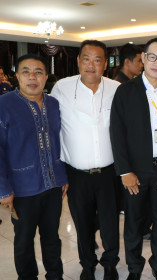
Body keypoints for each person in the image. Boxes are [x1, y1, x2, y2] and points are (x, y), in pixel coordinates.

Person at [110, 37, 157, 280]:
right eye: (152, 57)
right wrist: (125, 172)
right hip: (135, 171)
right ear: (143, 58)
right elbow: (117, 134)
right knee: (133, 223)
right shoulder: (125, 92)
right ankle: (134, 268)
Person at [51, 40, 120, 280]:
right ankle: (87, 264)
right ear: (78, 61)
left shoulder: (116, 88)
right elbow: (53, 129)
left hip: (109, 172)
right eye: (86, 59)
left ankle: (110, 263)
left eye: (97, 59)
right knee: (82, 223)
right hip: (76, 174)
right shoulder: (61, 88)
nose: (91, 65)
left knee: (110, 223)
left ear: (105, 64)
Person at [0, 54, 68, 280]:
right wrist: (3, 189)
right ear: (17, 76)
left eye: (38, 72)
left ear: (46, 76)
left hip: (52, 186)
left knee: (52, 237)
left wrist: (62, 176)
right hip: (21, 189)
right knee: (23, 240)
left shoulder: (53, 104)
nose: (32, 77)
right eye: (26, 72)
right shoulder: (4, 105)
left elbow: (58, 143)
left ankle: (55, 275)